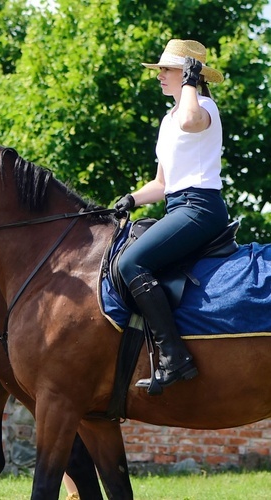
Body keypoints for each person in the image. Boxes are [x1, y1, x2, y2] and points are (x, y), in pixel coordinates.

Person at [113, 39, 228, 391]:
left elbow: (193, 121)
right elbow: (162, 183)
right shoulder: (168, 118)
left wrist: (193, 85)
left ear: (188, 74)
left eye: (167, 69)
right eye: (160, 69)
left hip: (201, 208)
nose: (160, 75)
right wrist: (131, 198)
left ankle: (174, 357)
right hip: (177, 206)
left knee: (130, 264)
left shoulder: (203, 105)